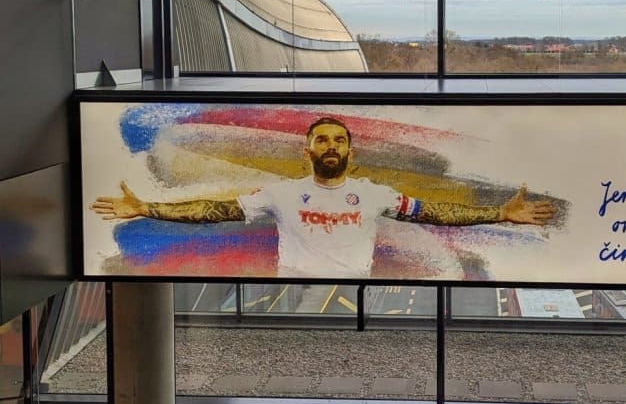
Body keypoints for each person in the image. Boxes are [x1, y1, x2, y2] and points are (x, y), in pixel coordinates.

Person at [91, 115, 555, 278]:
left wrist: (500, 213)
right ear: (307, 149)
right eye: (322, 140)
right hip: (293, 283)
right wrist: (146, 207)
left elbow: (433, 212)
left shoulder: (372, 194)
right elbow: (214, 210)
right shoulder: (281, 193)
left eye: (338, 140)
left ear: (350, 152)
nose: (330, 146)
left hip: (358, 283)